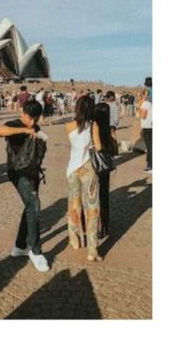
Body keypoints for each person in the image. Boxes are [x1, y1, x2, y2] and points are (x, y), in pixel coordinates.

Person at [0, 99, 49, 273]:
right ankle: (35, 251)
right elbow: (0, 131)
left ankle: (19, 247)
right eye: (29, 118)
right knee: (34, 205)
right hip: (18, 173)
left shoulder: (35, 126)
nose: (32, 122)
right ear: (22, 113)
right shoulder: (15, 124)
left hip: (32, 173)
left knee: (30, 207)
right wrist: (24, 129)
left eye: (36, 119)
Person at [66, 94, 102, 261]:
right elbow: (99, 147)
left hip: (72, 168)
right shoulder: (93, 125)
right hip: (88, 167)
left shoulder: (69, 126)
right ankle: (92, 250)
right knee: (92, 208)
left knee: (74, 205)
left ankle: (75, 240)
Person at [92, 102, 115, 240]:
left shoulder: (93, 127)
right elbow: (114, 149)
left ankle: (95, 225)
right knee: (104, 196)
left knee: (93, 196)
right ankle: (104, 226)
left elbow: (97, 147)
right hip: (105, 165)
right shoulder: (109, 129)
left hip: (94, 165)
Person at [138, 88, 152, 173]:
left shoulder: (146, 103)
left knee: (150, 148)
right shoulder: (150, 103)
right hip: (150, 126)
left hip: (147, 127)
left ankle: (150, 166)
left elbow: (143, 116)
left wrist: (138, 109)